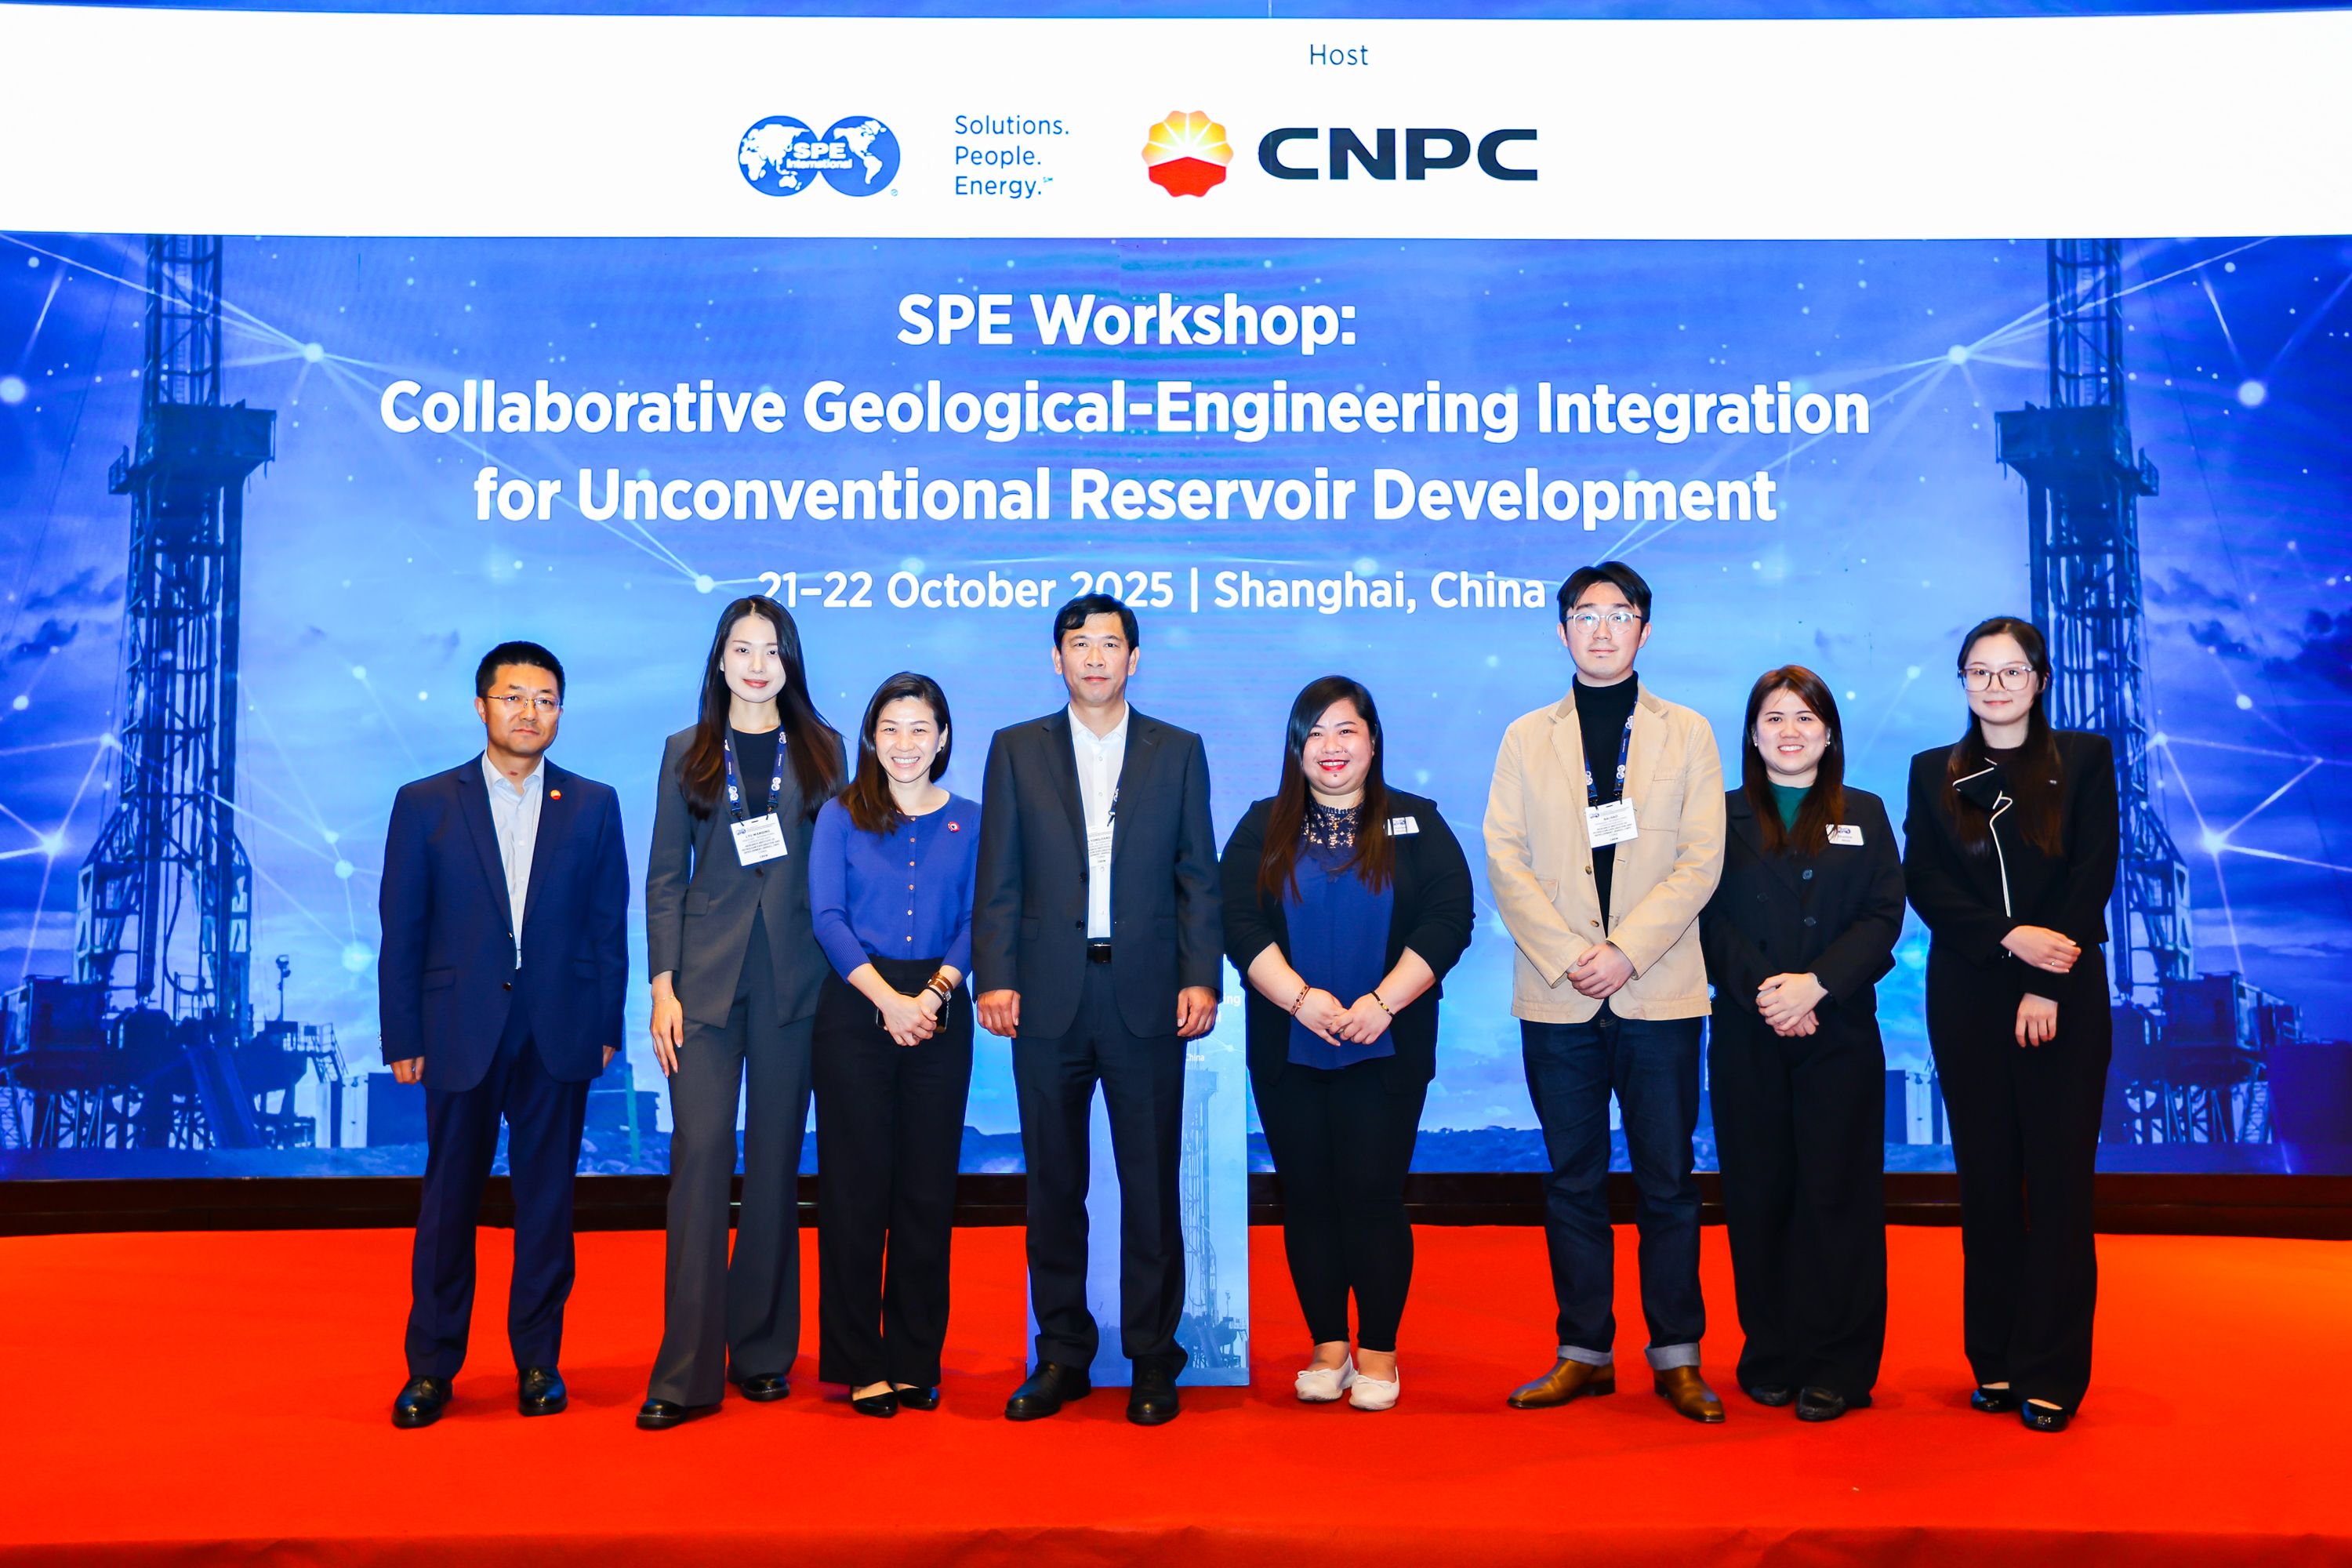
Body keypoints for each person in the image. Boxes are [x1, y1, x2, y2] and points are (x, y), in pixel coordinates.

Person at [1483, 561, 1729, 1422]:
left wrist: (1625, 951)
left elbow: (1702, 859)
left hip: (1658, 990)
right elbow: (1504, 858)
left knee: (1669, 1182)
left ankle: (1678, 1357)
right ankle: (1583, 1352)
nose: (1601, 629)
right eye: (1585, 615)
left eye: (1618, 614)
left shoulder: (1687, 732)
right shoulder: (1526, 737)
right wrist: (1571, 954)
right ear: (1562, 631)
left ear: (1644, 630)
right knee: (1572, 1181)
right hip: (1558, 996)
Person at [972, 593, 1222, 1427]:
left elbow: (1197, 874)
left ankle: (1153, 1355)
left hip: (1146, 992)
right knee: (1054, 1185)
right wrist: (994, 975)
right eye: (1079, 644)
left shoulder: (1177, 750)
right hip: (1046, 994)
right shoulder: (1016, 748)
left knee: (1150, 1185)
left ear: (1134, 659)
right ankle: (1062, 1354)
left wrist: (1202, 974)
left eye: (1110, 644)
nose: (1094, 657)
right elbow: (999, 873)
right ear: (1057, 658)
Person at [380, 641, 628, 1429]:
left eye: (546, 699)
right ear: (481, 706)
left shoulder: (593, 803)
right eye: (514, 696)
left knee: (547, 1201)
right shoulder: (426, 802)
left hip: (560, 1027)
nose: (530, 712)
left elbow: (608, 926)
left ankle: (539, 1361)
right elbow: (402, 927)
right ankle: (431, 1368)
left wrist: (606, 1023)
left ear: (560, 712)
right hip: (458, 1027)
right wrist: (402, 1031)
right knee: (448, 1200)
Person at [1219, 677, 1474, 1413]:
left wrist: (1382, 1004)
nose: (1330, 747)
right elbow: (1237, 921)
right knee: (1308, 1199)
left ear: (1373, 741)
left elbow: (1449, 918)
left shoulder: (1417, 822)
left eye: (1346, 731)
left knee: (1372, 1196)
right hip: (1289, 1044)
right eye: (1315, 733)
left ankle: (1379, 1352)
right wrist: (1300, 1000)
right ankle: (1328, 1347)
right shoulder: (1262, 824)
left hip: (1385, 1045)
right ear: (1296, 748)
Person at [1904, 615, 2118, 1434]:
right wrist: (2005, 938)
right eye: (1979, 671)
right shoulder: (1935, 770)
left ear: (2040, 679)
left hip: (2062, 990)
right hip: (1968, 993)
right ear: (1963, 681)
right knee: (1988, 1184)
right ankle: (1993, 1358)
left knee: (2057, 1186)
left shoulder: (2085, 759)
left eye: (2011, 670)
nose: (1995, 686)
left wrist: (2041, 977)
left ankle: (2052, 1370)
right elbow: (1926, 881)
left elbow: (2092, 872)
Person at [638, 596, 845, 1430]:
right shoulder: (684, 750)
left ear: (789, 661)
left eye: (772, 649)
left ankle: (762, 1351)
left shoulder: (825, 748)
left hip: (797, 977)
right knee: (699, 1157)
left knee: (773, 1164)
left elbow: (838, 864)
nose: (758, 665)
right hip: (703, 981)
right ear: (720, 660)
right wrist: (662, 984)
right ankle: (685, 1370)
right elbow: (664, 874)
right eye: (742, 649)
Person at [1700, 666, 1904, 1424]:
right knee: (1759, 1195)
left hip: (1840, 1030)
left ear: (1829, 733)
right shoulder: (1716, 815)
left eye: (1806, 718)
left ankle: (1838, 1366)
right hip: (1748, 1030)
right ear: (1753, 735)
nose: (1790, 732)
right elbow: (1704, 916)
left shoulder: (1866, 812)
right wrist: (1770, 993)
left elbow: (1884, 916)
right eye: (1774, 718)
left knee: (1839, 1197)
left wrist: (1817, 986)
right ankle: (1772, 1354)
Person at [807, 673, 980, 1418]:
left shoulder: (973, 820)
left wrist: (932, 997)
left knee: (925, 1192)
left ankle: (914, 1359)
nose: (905, 744)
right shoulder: (840, 816)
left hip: (941, 1007)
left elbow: (979, 917)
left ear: (942, 739)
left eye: (920, 729)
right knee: (854, 1191)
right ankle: (859, 1362)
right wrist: (888, 1000)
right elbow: (827, 916)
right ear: (871, 739)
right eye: (890, 729)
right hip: (856, 1006)